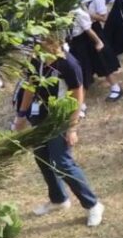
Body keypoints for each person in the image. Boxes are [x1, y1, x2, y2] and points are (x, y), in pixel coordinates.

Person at [16, 35, 104, 227]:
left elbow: (78, 97)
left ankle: (93, 204)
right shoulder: (36, 60)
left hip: (60, 118)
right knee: (42, 157)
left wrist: (72, 127)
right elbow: (30, 87)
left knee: (62, 162)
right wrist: (21, 116)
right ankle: (58, 199)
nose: (37, 47)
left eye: (42, 43)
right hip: (39, 118)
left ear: (53, 42)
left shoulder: (68, 64)